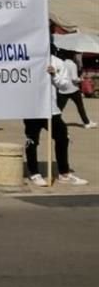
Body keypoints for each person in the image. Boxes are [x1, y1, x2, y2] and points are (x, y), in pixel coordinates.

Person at [24, 44, 89, 187]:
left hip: (51, 109)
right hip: (31, 108)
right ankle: (34, 173)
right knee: (32, 140)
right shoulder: (27, 58)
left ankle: (64, 173)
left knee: (62, 137)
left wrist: (54, 75)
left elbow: (65, 86)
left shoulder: (57, 62)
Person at [56, 49, 97, 128]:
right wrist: (81, 79)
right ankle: (87, 122)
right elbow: (74, 78)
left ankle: (54, 122)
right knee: (80, 107)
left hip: (63, 88)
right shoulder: (72, 64)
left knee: (59, 108)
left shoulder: (61, 63)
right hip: (73, 89)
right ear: (72, 55)